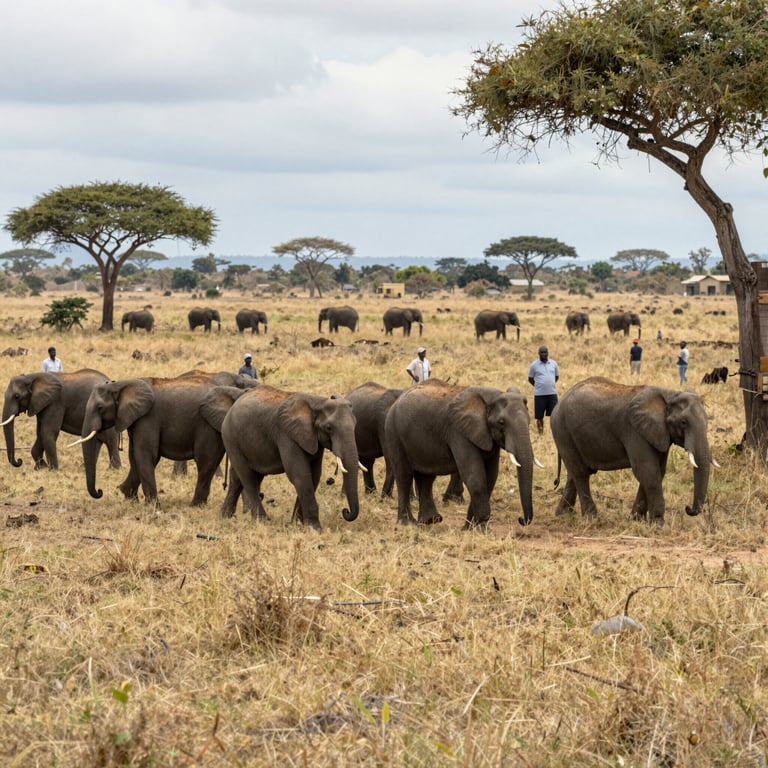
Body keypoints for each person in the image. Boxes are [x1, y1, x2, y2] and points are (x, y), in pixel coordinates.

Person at [528, 345, 559, 435]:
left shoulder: (553, 363)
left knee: (555, 414)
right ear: (538, 353)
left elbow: (556, 377)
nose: (544, 354)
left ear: (548, 353)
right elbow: (530, 379)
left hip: (552, 394)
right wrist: (538, 386)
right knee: (539, 416)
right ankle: (540, 433)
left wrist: (550, 384)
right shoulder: (534, 365)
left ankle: (555, 432)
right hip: (539, 395)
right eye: (542, 352)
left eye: (545, 352)